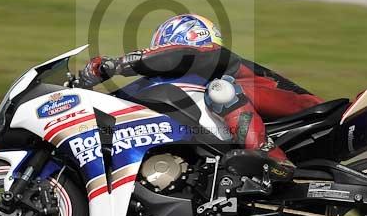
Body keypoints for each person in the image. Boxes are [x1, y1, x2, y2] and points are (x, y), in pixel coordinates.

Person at [78, 14, 324, 177]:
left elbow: (176, 57)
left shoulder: (214, 57)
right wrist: (83, 95)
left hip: (304, 109)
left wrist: (118, 64)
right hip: (263, 117)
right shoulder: (175, 81)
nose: (157, 54)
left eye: (161, 48)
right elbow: (121, 102)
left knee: (220, 89)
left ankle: (270, 157)